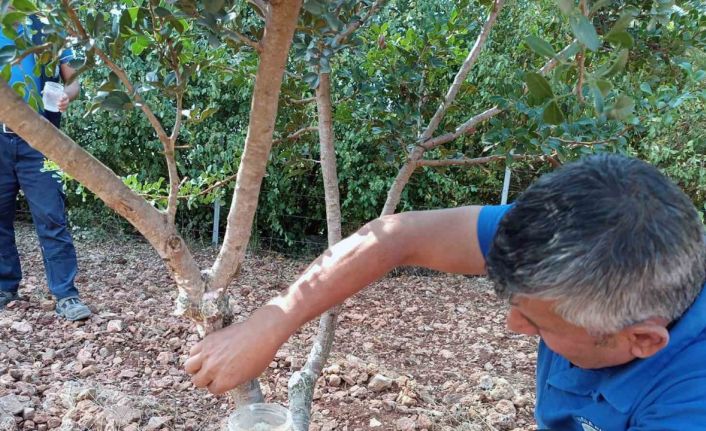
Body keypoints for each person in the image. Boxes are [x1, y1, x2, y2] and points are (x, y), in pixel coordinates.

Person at [184, 154, 706, 430]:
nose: (513, 327)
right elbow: (398, 237)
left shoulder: (688, 406)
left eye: (539, 323)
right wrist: (272, 319)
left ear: (642, 340)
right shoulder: (575, 234)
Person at [0, 15, 91, 320]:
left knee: (52, 216)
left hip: (42, 138)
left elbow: (74, 80)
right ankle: (5, 288)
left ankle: (66, 294)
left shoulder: (48, 24)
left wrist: (67, 94)